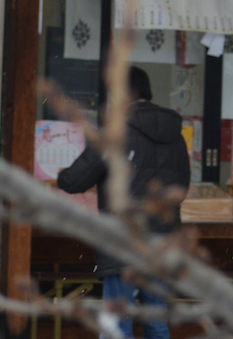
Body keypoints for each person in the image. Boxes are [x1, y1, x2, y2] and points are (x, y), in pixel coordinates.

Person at [58, 66, 191, 339]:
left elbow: (74, 181)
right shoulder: (175, 135)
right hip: (160, 240)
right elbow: (182, 187)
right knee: (156, 318)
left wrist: (62, 176)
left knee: (118, 321)